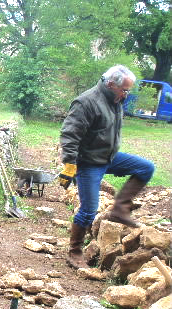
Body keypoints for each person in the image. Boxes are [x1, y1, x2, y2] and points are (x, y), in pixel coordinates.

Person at [58, 65, 155, 269]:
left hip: (108, 157)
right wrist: (70, 164)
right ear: (110, 84)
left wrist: (121, 96)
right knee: (88, 210)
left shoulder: (114, 99)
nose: (126, 94)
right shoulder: (86, 102)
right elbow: (69, 135)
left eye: (128, 90)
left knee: (146, 168)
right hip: (89, 163)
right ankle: (74, 252)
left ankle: (120, 209)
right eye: (124, 90)